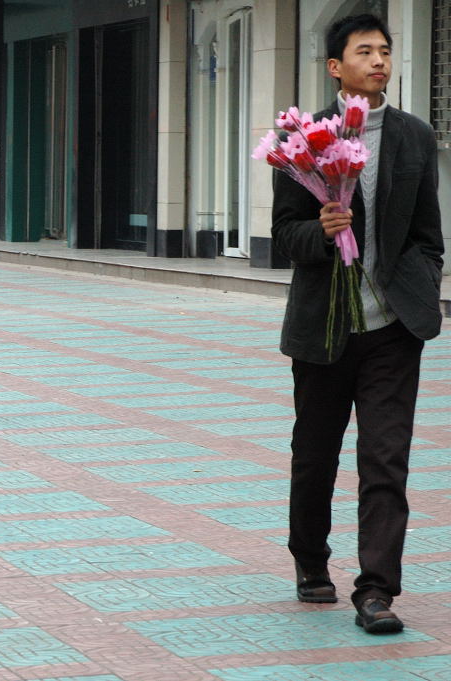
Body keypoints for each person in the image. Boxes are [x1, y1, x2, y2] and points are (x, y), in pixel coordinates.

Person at [272, 14, 444, 635]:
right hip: (324, 325)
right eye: (364, 51)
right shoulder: (303, 140)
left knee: (386, 457)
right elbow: (283, 234)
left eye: (385, 51)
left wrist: (419, 285)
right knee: (315, 454)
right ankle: (310, 561)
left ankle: (376, 590)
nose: (378, 60)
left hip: (393, 328)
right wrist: (319, 234)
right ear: (335, 67)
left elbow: (429, 236)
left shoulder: (414, 138)